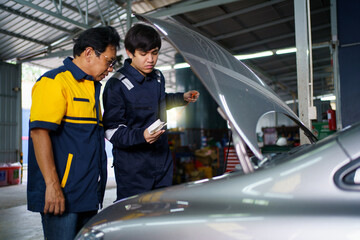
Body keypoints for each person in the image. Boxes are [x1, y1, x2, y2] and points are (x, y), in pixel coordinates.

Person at [27, 26, 120, 240]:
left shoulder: (91, 88)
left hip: (87, 193)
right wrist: (52, 186)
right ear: (89, 53)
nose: (110, 68)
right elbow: (39, 134)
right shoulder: (54, 82)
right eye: (109, 60)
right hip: (61, 194)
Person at [103, 23, 199, 201]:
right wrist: (142, 136)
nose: (150, 60)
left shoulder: (157, 77)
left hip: (162, 161)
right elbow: (112, 131)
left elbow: (160, 102)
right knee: (136, 218)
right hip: (134, 169)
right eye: (144, 53)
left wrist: (182, 98)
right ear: (130, 52)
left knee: (161, 213)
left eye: (154, 53)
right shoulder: (116, 85)